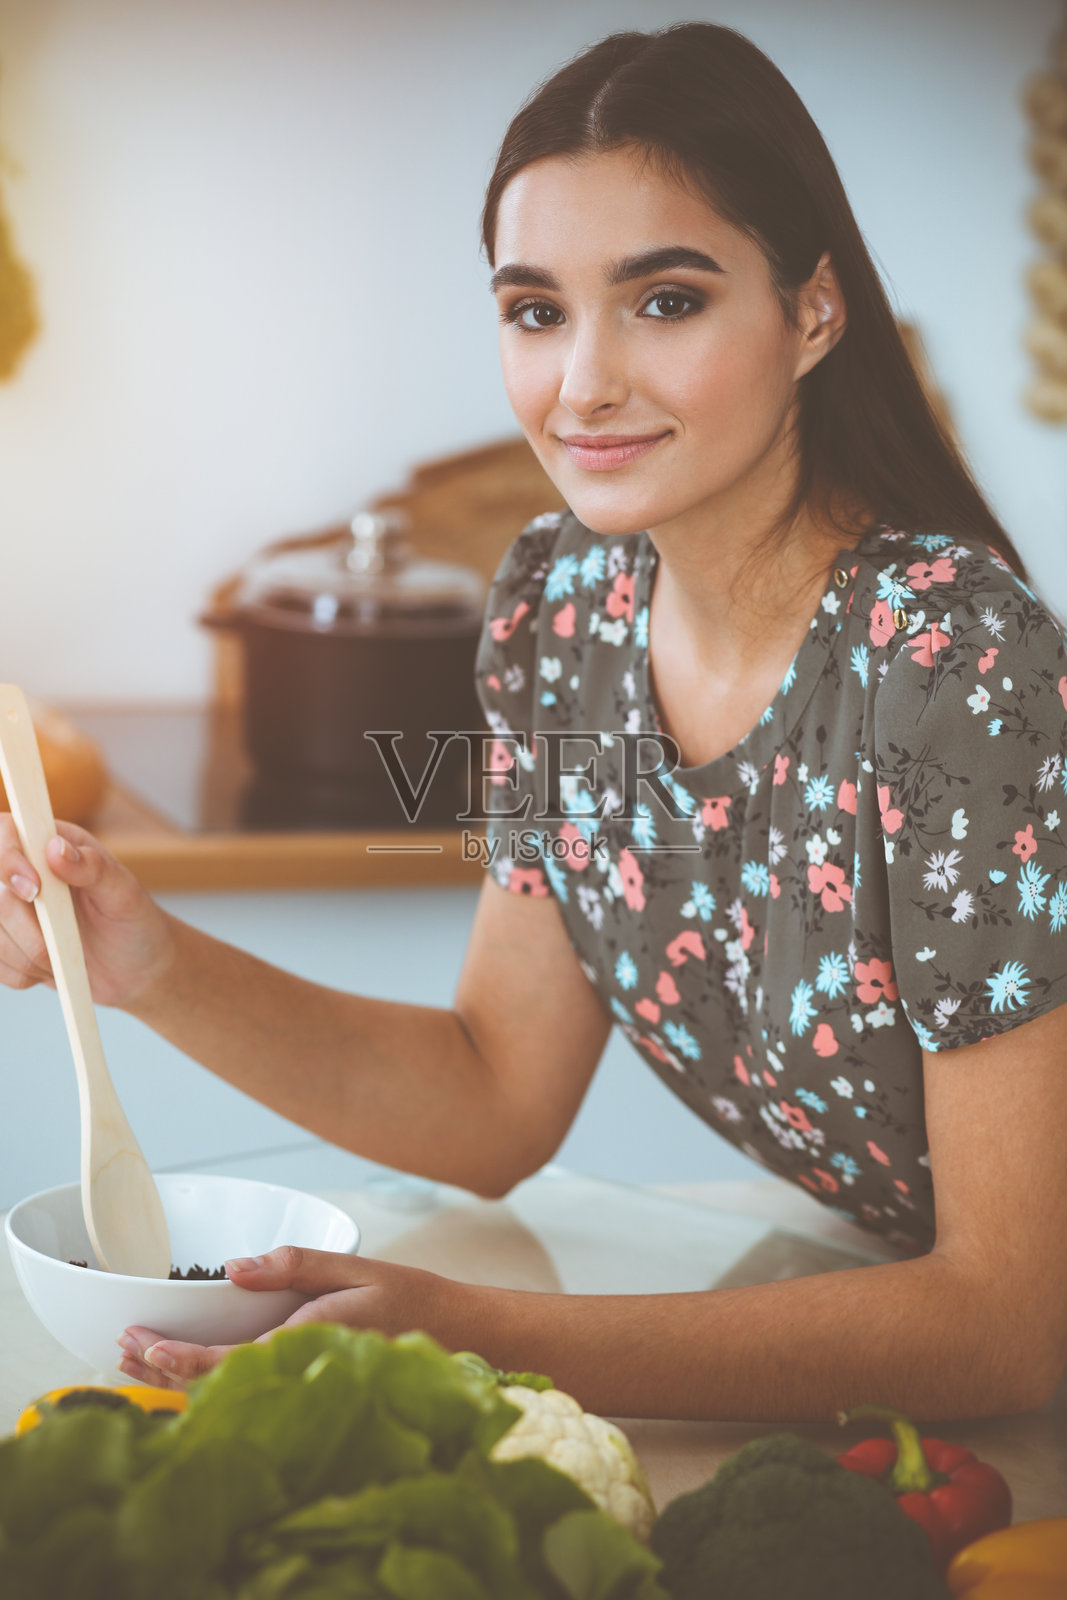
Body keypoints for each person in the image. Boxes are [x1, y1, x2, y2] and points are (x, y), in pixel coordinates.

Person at [2, 23, 1065, 1422]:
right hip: (888, 1337)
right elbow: (496, 1094)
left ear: (814, 312)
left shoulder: (950, 662)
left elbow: (1009, 1319)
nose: (583, 384)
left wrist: (477, 1333)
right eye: (536, 311)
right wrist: (143, 961)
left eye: (666, 301)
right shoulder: (564, 609)